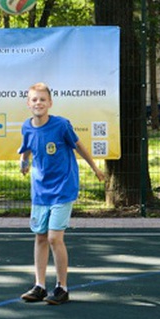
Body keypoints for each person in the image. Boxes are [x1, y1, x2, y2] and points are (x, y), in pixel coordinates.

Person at [18, 82, 105, 304]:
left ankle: (61, 287)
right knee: (40, 237)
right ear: (29, 104)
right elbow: (27, 146)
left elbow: (79, 146)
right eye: (34, 99)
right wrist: (23, 161)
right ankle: (39, 285)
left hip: (62, 188)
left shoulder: (61, 125)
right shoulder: (27, 127)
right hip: (40, 190)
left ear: (50, 103)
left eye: (42, 99)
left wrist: (94, 167)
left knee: (55, 237)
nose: (38, 103)